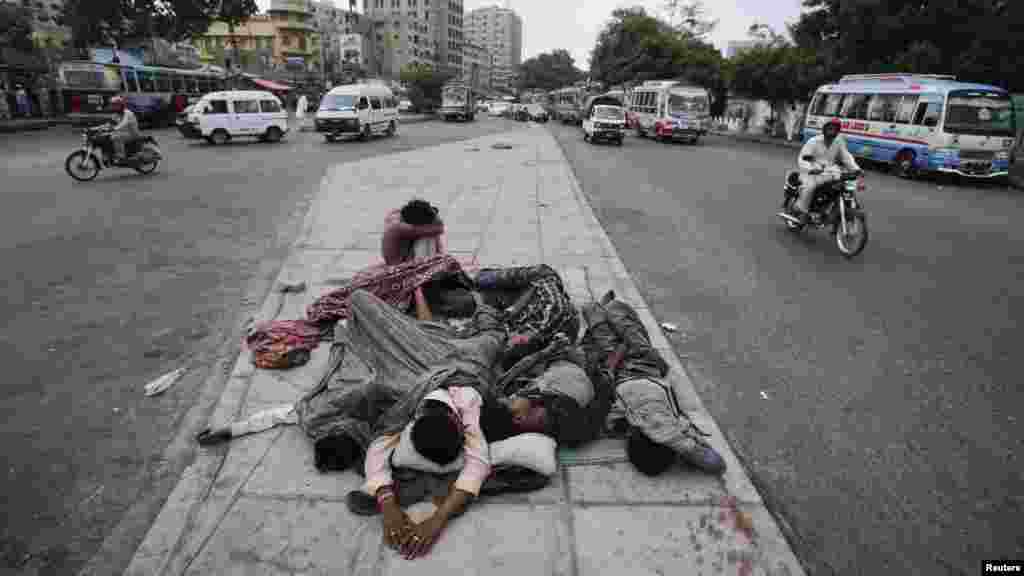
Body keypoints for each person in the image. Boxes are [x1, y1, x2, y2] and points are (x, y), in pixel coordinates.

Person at [580, 291, 726, 476]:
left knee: (606, 324)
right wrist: (681, 444)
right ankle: (604, 310)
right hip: (644, 365)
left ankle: (601, 310)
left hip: (625, 368)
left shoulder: (624, 422)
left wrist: (683, 444)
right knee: (615, 320)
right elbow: (717, 465)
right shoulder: (666, 427)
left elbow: (716, 464)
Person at [792, 117, 861, 224]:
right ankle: (802, 211)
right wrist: (810, 169)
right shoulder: (813, 141)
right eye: (830, 128)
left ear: (838, 131)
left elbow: (846, 157)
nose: (832, 130)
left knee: (843, 186)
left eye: (834, 128)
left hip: (831, 172)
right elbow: (802, 158)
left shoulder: (839, 142)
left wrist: (856, 169)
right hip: (812, 172)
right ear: (824, 129)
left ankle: (832, 209)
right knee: (810, 187)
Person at [108, 96, 140, 163]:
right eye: (113, 105)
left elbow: (124, 123)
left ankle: (121, 156)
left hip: (133, 134)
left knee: (116, 137)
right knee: (108, 136)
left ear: (121, 105)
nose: (113, 107)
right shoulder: (116, 114)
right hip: (124, 133)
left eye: (115, 105)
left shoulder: (127, 113)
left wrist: (114, 128)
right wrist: (96, 128)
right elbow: (109, 123)